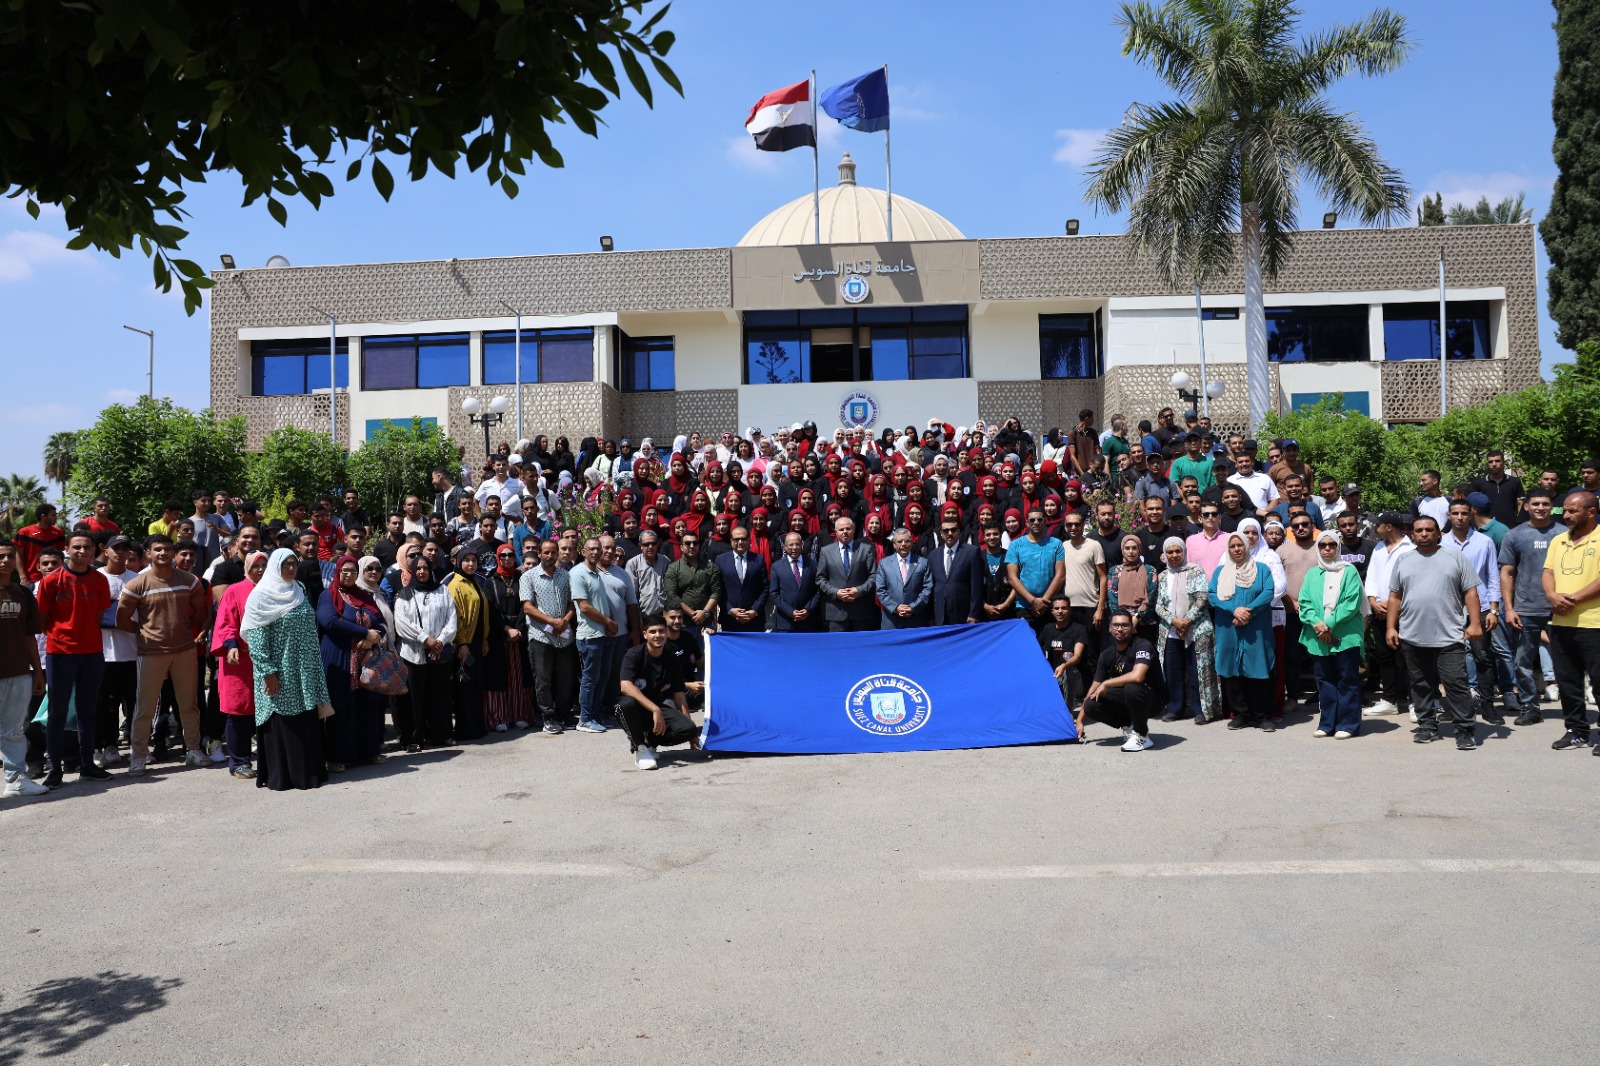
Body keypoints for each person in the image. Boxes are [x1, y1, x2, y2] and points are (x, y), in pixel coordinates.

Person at [117, 535, 211, 774]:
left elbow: (200, 613)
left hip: (184, 650)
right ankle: (138, 756)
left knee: (189, 704)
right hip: (151, 652)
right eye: (158, 549)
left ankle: (193, 750)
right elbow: (122, 620)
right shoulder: (137, 584)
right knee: (144, 707)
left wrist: (183, 630)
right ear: (148, 553)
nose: (163, 553)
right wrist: (144, 633)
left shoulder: (189, 580)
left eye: (167, 549)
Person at [1387, 515, 1482, 749]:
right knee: (1420, 683)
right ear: (1412, 534)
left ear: (1438, 533)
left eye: (1429, 530)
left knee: (1455, 683)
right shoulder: (1403, 560)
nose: (1424, 534)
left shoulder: (1455, 557)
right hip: (1412, 634)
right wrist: (1390, 627)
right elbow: (1395, 596)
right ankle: (1427, 725)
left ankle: (1465, 729)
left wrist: (1475, 623)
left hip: (1449, 635)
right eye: (1419, 530)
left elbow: (1470, 592)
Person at [241, 548, 332, 790]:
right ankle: (285, 776)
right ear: (275, 566)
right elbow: (257, 640)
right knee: (282, 719)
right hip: (280, 669)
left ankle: (309, 773)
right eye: (285, 564)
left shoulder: (298, 589)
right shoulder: (261, 596)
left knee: (305, 719)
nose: (291, 568)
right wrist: (267, 672)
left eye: (294, 563)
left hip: (304, 668)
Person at [1442, 497, 1512, 724]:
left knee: (1483, 658)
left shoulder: (1484, 542)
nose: (1460, 518)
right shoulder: (1441, 542)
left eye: (1464, 513)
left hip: (1480, 608)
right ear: (1449, 516)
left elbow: (1493, 576)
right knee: (1451, 659)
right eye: (1455, 513)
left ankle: (1488, 706)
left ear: (1471, 514)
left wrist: (1494, 609)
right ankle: (1455, 706)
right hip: (1449, 608)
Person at [1541, 490, 1600, 752]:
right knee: (1568, 683)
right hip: (1561, 624)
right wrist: (1552, 596)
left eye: (1572, 511)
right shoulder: (1559, 540)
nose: (1565, 515)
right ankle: (1577, 731)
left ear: (1591, 512)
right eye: (1564, 510)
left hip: (1594, 624)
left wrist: (1573, 598)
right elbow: (1548, 572)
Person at [316, 555, 388, 770]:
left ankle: (368, 752)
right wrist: (364, 633)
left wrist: (374, 637)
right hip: (340, 658)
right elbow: (329, 621)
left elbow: (381, 621)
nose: (348, 575)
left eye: (353, 571)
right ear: (337, 572)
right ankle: (338, 757)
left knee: (366, 705)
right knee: (341, 706)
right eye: (344, 571)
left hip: (365, 660)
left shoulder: (362, 596)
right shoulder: (328, 595)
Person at [1299, 531, 1367, 738]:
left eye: (1331, 545)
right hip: (1318, 635)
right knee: (1325, 680)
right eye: (1323, 545)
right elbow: (1304, 602)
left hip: (1345, 635)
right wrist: (1317, 623)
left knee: (1347, 679)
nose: (1327, 549)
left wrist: (1327, 624)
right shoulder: (1312, 574)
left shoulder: (1349, 571)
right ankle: (1327, 723)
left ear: (1338, 547)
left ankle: (1348, 725)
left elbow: (1351, 603)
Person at [1499, 490, 1557, 726]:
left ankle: (1576, 709)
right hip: (1526, 608)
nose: (1540, 508)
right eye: (1536, 504)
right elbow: (1507, 573)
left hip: (1561, 608)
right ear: (1526, 507)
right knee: (1522, 662)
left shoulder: (1564, 534)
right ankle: (1530, 707)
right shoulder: (1514, 535)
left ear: (1552, 506)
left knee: (1572, 661)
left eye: (1545, 504)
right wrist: (1509, 608)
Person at [1209, 532, 1276, 731]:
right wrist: (1234, 610)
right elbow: (1213, 595)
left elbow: (1268, 592)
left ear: (1247, 547)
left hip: (1256, 628)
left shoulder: (1261, 570)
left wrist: (1248, 611)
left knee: (1258, 667)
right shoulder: (1220, 572)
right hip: (1229, 628)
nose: (1237, 549)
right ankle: (1241, 714)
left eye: (1240, 545)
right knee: (1232, 669)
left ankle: (1262, 715)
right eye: (1232, 546)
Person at [211, 550, 268, 779]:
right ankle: (239, 762)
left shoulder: (274, 591)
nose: (260, 570)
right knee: (240, 712)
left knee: (268, 711)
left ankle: (269, 758)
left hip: (269, 660)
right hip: (241, 660)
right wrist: (231, 645)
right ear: (247, 568)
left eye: (264, 565)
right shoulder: (234, 591)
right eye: (256, 566)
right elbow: (225, 622)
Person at [619, 614, 702, 770]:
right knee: (624, 705)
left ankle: (651, 742)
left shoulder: (672, 658)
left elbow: (679, 696)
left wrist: (691, 735)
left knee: (689, 728)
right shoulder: (634, 654)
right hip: (638, 709)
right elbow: (625, 686)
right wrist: (654, 709)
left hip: (658, 708)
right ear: (645, 634)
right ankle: (639, 747)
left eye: (661, 631)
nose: (658, 635)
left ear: (666, 633)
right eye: (653, 632)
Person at [393, 555, 458, 752]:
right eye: (418, 568)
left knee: (440, 695)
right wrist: (425, 639)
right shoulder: (405, 594)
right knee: (413, 699)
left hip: (438, 652)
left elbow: (451, 618)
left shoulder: (443, 591)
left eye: (426, 568)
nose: (422, 572)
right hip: (413, 654)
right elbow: (401, 622)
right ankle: (415, 738)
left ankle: (442, 735)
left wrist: (440, 641)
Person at [0, 539, 48, 798]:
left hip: (19, 671)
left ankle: (16, 780)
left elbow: (30, 636)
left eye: (10, 556)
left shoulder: (23, 593)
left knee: (14, 730)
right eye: (1, 556)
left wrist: (37, 672)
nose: (6, 561)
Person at [1155, 537, 1215, 724]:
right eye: (1170, 552)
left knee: (1197, 670)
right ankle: (1176, 708)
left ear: (1184, 551)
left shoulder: (1195, 571)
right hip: (1171, 631)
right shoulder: (1163, 576)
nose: (1174, 555)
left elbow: (1202, 598)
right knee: (1173, 671)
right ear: (1165, 554)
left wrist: (1186, 621)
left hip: (1195, 629)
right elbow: (1158, 605)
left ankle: (1200, 710)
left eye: (1178, 551)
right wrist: (1174, 621)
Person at [1082, 609, 1160, 752]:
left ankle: (1142, 736)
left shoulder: (1143, 645)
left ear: (1133, 628)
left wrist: (1107, 683)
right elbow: (1095, 685)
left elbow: (1137, 676)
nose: (1120, 629)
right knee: (1090, 705)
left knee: (1132, 688)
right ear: (1109, 629)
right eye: (1116, 625)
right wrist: (1080, 721)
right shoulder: (1106, 655)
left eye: (1125, 625)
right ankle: (1129, 726)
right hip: (1129, 699)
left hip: (1152, 700)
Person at [522, 539, 576, 734]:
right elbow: (528, 607)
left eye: (553, 552)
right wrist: (552, 622)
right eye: (546, 552)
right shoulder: (528, 577)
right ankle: (548, 717)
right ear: (539, 554)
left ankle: (563, 714)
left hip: (564, 635)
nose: (550, 556)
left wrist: (564, 621)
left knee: (565, 678)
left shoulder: (565, 575)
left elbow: (572, 603)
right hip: (540, 635)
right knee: (543, 679)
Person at [569, 537, 618, 733]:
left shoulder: (596, 573)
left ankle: (596, 716)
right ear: (583, 551)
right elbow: (584, 607)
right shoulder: (578, 573)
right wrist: (608, 622)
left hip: (602, 634)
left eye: (598, 549)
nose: (596, 552)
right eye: (591, 549)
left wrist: (608, 623)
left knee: (602, 678)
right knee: (590, 680)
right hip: (589, 635)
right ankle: (585, 719)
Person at [445, 545, 491, 742]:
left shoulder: (474, 582)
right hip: (464, 644)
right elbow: (456, 617)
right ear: (458, 562)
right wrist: (462, 643)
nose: (471, 564)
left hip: (477, 642)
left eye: (474, 560)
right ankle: (466, 730)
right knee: (465, 688)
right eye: (466, 560)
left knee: (475, 687)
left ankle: (477, 727)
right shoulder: (455, 584)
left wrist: (484, 639)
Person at [483, 545, 532, 731]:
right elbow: (490, 609)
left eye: (511, 555)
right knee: (498, 676)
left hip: (519, 634)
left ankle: (519, 715)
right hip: (499, 635)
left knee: (518, 677)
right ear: (498, 557)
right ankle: (499, 717)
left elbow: (527, 604)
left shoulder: (522, 578)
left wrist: (518, 629)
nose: (507, 558)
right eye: (502, 555)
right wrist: (506, 629)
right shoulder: (490, 580)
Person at [1006, 507, 1066, 629]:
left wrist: (1044, 601)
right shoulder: (1015, 545)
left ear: (1044, 522)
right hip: (1024, 606)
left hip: (1049, 606)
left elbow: (1060, 575)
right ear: (1027, 523)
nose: (1036, 522)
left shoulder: (1056, 544)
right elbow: (1012, 578)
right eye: (1032, 520)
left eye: (1040, 519)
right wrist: (1033, 601)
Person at [1037, 595, 1089, 736]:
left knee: (1068, 671)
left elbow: (1077, 656)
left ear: (1070, 610)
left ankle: (1067, 713)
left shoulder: (1079, 629)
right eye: (1057, 608)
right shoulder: (1047, 629)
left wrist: (1063, 666)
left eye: (1064, 608)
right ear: (1052, 611)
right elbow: (1035, 651)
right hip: (1053, 678)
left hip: (1074, 678)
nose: (1060, 611)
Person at [816, 517, 878, 632]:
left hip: (861, 611)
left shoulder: (866, 549)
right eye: (841, 529)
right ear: (836, 532)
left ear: (853, 530)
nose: (845, 532)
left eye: (848, 528)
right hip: (836, 612)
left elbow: (874, 576)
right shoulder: (826, 551)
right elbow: (820, 578)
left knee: (861, 643)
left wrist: (859, 591)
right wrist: (836, 592)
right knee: (838, 643)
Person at [930, 518, 984, 626]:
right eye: (946, 531)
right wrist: (931, 615)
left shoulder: (971, 552)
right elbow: (931, 586)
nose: (950, 533)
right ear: (941, 534)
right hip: (940, 614)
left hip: (963, 613)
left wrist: (974, 613)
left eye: (953, 530)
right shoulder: (933, 555)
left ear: (959, 532)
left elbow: (977, 586)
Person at [875, 528, 932, 629]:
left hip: (916, 619)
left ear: (912, 543)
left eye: (907, 541)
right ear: (894, 544)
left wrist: (913, 607)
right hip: (891, 620)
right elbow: (880, 590)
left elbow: (927, 588)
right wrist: (895, 607)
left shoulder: (923, 563)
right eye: (900, 541)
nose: (903, 544)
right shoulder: (884, 563)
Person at [1106, 534, 1158, 646]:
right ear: (1122, 550)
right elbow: (1112, 599)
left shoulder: (1150, 571)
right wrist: (1127, 621)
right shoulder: (1114, 571)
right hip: (1121, 626)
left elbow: (1151, 598)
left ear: (1139, 550)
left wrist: (1137, 618)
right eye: (1127, 548)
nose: (1131, 552)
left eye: (1134, 548)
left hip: (1145, 623)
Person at [715, 526, 768, 633]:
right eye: (736, 539)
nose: (740, 542)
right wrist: (730, 610)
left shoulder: (758, 559)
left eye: (743, 539)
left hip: (755, 620)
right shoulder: (721, 560)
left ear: (749, 540)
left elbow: (765, 588)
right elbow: (717, 589)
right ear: (731, 541)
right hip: (730, 619)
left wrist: (754, 610)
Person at [770, 531, 821, 632]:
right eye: (791, 545)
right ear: (785, 547)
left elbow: (818, 591)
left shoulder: (812, 565)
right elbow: (774, 594)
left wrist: (808, 609)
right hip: (785, 623)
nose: (794, 547)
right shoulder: (776, 566)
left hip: (808, 621)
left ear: (802, 545)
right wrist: (790, 612)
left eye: (797, 544)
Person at [1472, 449, 1524, 529]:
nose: (1494, 464)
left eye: (1497, 461)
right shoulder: (1479, 484)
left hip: (1511, 527)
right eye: (1491, 462)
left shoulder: (1514, 482)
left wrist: (1520, 524)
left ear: (1504, 462)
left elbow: (1520, 504)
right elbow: (1474, 507)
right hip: (1487, 528)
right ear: (1487, 464)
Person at [16, 503, 66, 583]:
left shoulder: (58, 532)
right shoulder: (25, 532)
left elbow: (62, 555)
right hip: (31, 579)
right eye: (53, 515)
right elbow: (18, 555)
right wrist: (23, 577)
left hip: (55, 578)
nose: (56, 517)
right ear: (43, 517)